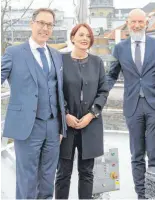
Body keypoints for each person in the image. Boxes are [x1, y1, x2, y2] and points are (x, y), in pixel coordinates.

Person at [1, 8, 67, 199]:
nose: (45, 28)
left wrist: (61, 125)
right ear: (32, 24)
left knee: (48, 180)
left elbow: (58, 90)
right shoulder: (14, 53)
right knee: (27, 181)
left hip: (53, 127)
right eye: (41, 23)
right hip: (27, 127)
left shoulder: (56, 55)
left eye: (49, 25)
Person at [106, 9, 155, 199]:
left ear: (146, 23)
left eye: (141, 22)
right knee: (137, 154)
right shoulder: (120, 48)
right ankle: (142, 194)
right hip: (132, 106)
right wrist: (97, 95)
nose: (137, 25)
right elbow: (111, 75)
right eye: (134, 22)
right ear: (127, 23)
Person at [55, 23, 109, 199]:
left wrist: (91, 114)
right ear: (72, 38)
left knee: (87, 173)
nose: (85, 38)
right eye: (81, 35)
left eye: (88, 36)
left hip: (90, 125)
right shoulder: (60, 61)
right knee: (63, 173)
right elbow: (56, 89)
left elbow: (103, 91)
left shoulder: (97, 62)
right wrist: (65, 114)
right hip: (66, 125)